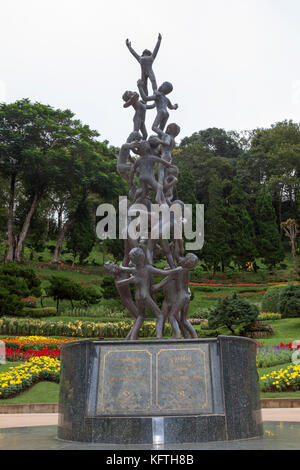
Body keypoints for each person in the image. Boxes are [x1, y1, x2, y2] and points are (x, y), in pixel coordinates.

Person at [116, 247, 182, 339]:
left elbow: (124, 269)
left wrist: (121, 266)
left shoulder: (134, 269)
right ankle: (159, 337)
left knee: (140, 316)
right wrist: (176, 270)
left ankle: (132, 339)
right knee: (160, 315)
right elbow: (163, 273)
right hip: (145, 295)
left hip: (137, 296)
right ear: (143, 257)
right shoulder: (147, 268)